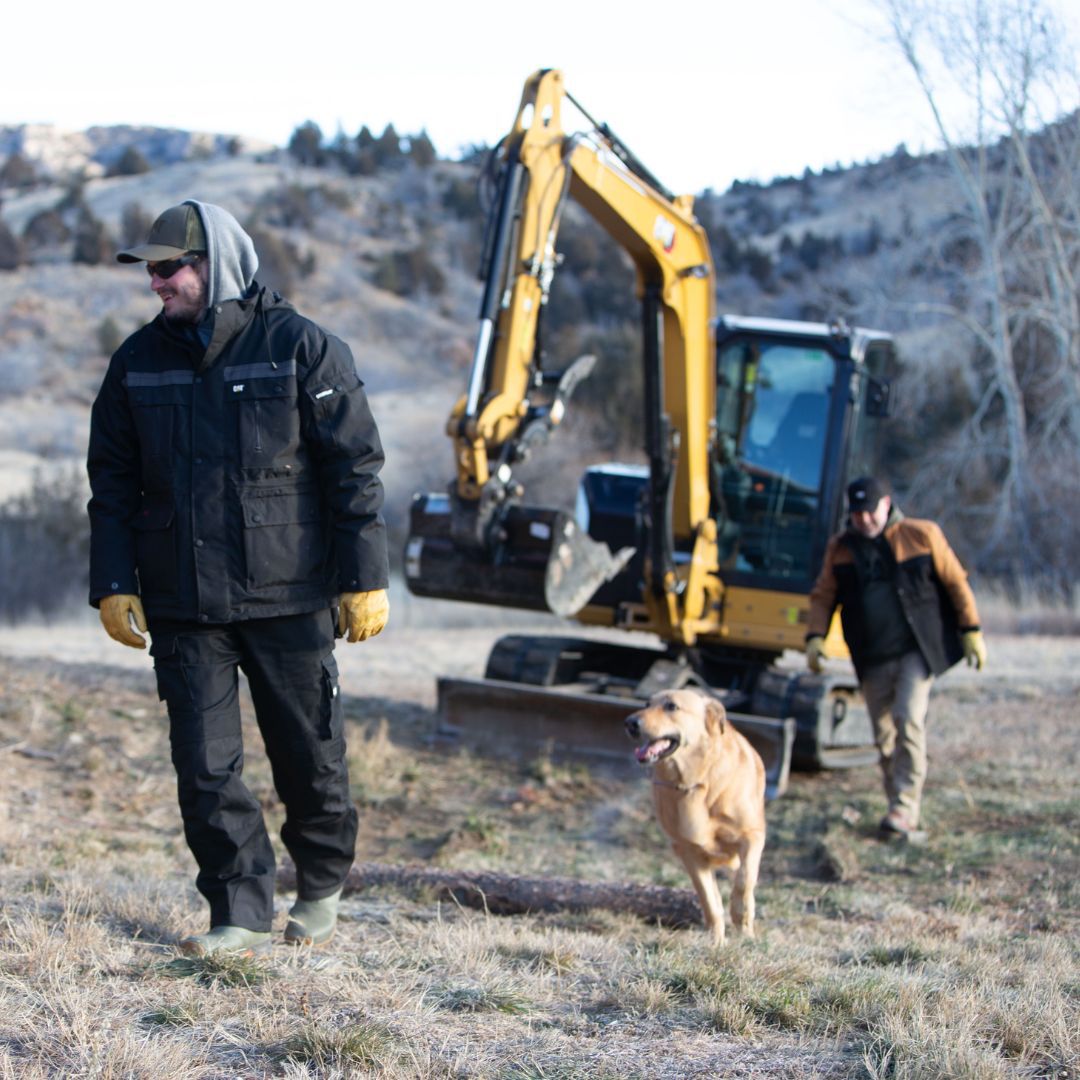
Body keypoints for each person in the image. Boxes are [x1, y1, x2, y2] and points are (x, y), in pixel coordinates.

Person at [87, 201, 390, 955]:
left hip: (288, 595)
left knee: (310, 755)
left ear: (215, 263)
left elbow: (354, 471)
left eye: (169, 267)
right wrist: (112, 581)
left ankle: (319, 886)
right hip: (184, 602)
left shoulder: (302, 348)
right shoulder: (135, 363)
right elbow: (112, 484)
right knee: (204, 767)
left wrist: (365, 578)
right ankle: (240, 912)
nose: (156, 283)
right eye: (150, 269)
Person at [804, 477, 986, 839]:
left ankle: (905, 806)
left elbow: (955, 582)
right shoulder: (840, 549)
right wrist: (815, 637)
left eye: (870, 512)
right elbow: (823, 596)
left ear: (886, 505)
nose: (864, 520)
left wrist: (971, 629)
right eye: (857, 514)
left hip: (916, 651)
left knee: (908, 718)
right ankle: (896, 807)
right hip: (871, 656)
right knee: (883, 735)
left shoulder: (921, 535)